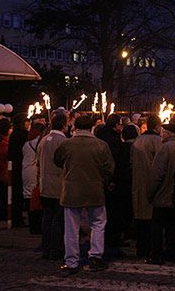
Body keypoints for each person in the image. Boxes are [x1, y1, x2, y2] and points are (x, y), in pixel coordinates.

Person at [54, 115, 114, 275]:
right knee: (98, 223)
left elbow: (57, 161)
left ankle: (71, 261)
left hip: (71, 190)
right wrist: (103, 180)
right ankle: (95, 256)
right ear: (91, 127)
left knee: (71, 228)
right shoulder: (101, 145)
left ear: (75, 127)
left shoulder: (67, 144)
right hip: (94, 188)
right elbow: (109, 168)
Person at [147, 123, 175, 265]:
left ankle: (156, 255)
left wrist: (150, 194)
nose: (161, 134)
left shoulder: (165, 148)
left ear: (168, 133)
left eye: (163, 132)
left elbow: (157, 174)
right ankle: (172, 253)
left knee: (157, 227)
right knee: (173, 227)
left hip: (162, 196)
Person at [37, 113, 68, 260]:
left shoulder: (43, 140)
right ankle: (56, 248)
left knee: (47, 217)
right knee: (57, 218)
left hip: (45, 184)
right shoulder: (63, 141)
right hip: (58, 184)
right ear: (63, 125)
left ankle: (46, 247)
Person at [131, 115, 163, 259]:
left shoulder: (137, 141)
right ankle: (152, 249)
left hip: (138, 184)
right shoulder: (158, 141)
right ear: (157, 126)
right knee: (153, 221)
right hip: (154, 186)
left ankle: (141, 249)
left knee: (141, 220)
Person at [96, 114, 125, 254]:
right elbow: (115, 162)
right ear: (115, 125)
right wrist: (112, 180)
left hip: (100, 179)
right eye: (120, 124)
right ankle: (111, 240)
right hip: (111, 181)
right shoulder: (113, 140)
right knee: (112, 212)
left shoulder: (100, 136)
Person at [22, 122, 47, 234]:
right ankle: (37, 226)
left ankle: (32, 226)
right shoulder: (41, 142)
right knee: (36, 200)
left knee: (29, 198)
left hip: (26, 171)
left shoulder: (27, 143)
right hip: (35, 172)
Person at [8, 113, 29, 227]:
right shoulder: (20, 135)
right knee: (17, 193)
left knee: (17, 193)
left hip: (16, 165)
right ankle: (17, 219)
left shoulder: (14, 134)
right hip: (19, 165)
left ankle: (17, 216)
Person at [0, 118, 11, 222]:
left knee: (3, 192)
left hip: (1, 168)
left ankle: (3, 213)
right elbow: (4, 154)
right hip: (3, 168)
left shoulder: (0, 139)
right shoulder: (1, 141)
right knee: (3, 193)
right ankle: (3, 213)